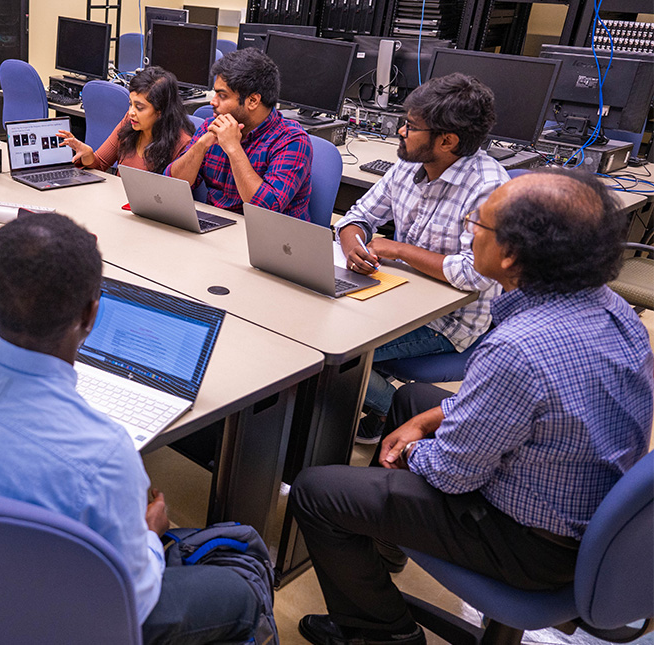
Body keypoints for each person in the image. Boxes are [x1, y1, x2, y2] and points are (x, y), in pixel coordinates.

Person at [288, 169, 654, 645]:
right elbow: (535, 407)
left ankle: (384, 636)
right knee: (411, 399)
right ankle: (386, 548)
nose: (467, 230)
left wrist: (409, 450)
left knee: (317, 492)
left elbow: (451, 475)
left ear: (509, 255)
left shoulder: (518, 348)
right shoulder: (613, 309)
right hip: (586, 509)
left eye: (476, 225)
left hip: (530, 546)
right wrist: (426, 420)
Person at [0, 213, 261, 644]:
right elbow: (135, 599)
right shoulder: (105, 454)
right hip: (52, 624)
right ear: (92, 315)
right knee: (246, 581)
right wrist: (149, 535)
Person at [336, 72, 509, 443]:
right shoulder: (408, 164)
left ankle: (393, 412)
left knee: (332, 351)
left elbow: (475, 273)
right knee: (312, 324)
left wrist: (397, 249)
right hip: (394, 295)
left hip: (449, 321)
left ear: (447, 140)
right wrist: (354, 243)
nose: (401, 131)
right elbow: (359, 216)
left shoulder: (488, 187)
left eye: (411, 126)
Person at [164, 48, 312, 218]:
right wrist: (201, 146)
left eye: (222, 95)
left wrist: (233, 148)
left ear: (252, 101)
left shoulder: (292, 140)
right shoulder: (212, 126)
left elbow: (266, 209)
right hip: (217, 228)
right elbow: (172, 184)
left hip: (269, 237)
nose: (213, 101)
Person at [58, 67, 193, 174]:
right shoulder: (129, 123)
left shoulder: (181, 143)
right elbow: (99, 165)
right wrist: (88, 155)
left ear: (160, 111)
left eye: (139, 107)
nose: (131, 112)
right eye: (130, 104)